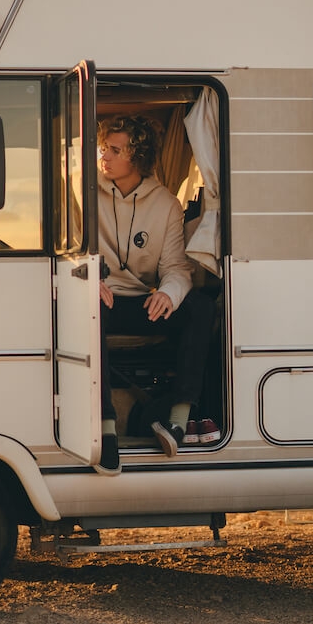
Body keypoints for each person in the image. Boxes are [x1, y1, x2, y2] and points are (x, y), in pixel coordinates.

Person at [95, 114, 217, 475]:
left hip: (139, 301)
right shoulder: (82, 191)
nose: (105, 157)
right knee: (87, 311)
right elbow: (67, 251)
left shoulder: (166, 204)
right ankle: (105, 430)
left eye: (115, 150)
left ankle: (178, 420)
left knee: (201, 307)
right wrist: (85, 281)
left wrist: (168, 293)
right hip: (101, 299)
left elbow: (177, 268)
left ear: (138, 156)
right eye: (104, 148)